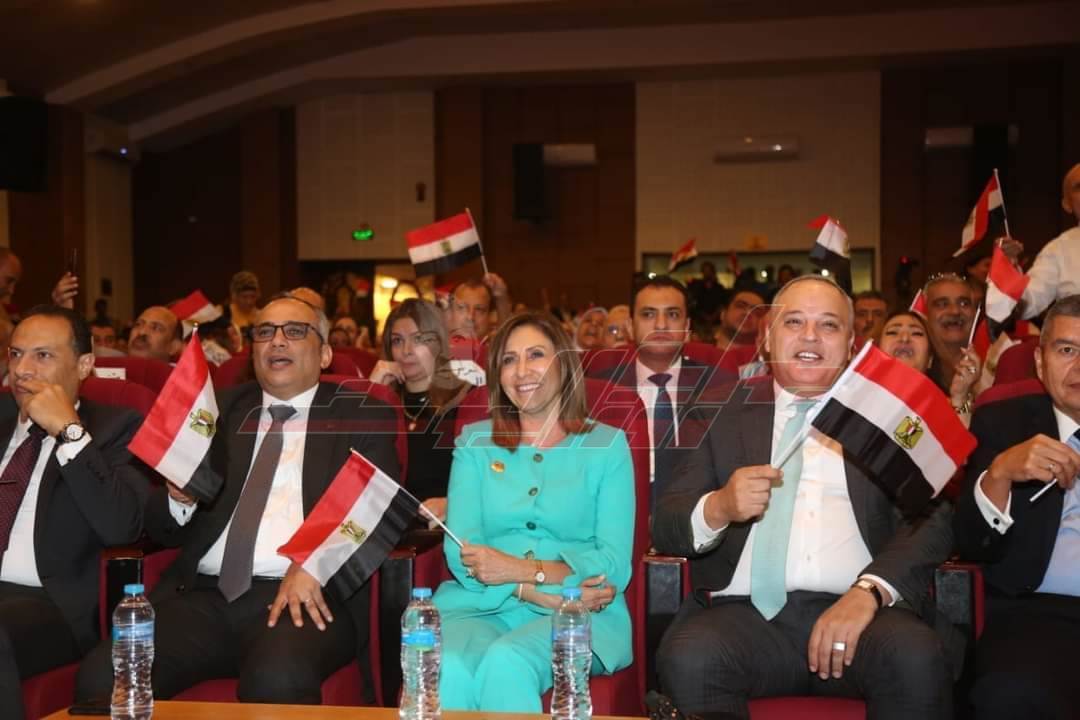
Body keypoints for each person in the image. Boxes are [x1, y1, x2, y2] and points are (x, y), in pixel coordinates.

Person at [654, 276, 954, 720]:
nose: (810, 336)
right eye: (794, 322)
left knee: (915, 656)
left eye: (828, 325)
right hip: (744, 620)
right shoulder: (717, 410)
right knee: (690, 655)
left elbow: (933, 520)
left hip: (862, 615)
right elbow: (667, 522)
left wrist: (869, 592)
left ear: (850, 345)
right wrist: (719, 507)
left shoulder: (884, 415)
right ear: (767, 339)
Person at [75, 295, 400, 704]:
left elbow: (376, 505)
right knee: (104, 674)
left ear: (325, 354)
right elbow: (159, 526)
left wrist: (315, 564)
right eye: (265, 332)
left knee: (276, 680)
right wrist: (179, 499)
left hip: (300, 595)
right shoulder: (217, 411)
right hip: (203, 595)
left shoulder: (362, 414)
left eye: (294, 331)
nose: (277, 341)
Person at [435, 312, 633, 711]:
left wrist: (522, 570)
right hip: (482, 606)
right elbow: (461, 551)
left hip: (579, 611)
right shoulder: (475, 442)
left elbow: (613, 563)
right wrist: (534, 591)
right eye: (509, 360)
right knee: (450, 667)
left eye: (536, 355)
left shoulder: (608, 445)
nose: (522, 370)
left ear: (564, 363)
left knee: (507, 662)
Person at [0, 305, 149, 720]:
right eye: (15, 354)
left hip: (49, 603)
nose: (22, 370)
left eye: (43, 356)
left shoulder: (115, 427)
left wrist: (70, 432)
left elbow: (123, 526)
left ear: (84, 365)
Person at [954, 294, 1080, 719]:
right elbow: (973, 544)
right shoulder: (1003, 421)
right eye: (1067, 350)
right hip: (1039, 613)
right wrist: (1000, 473)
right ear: (1041, 363)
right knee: (1011, 693)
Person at [589, 276, 731, 501]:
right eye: (648, 314)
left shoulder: (722, 387)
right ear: (630, 327)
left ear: (687, 327)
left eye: (672, 314)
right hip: (618, 503)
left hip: (696, 508)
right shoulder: (597, 390)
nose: (661, 325)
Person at [368, 299, 473, 525]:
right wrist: (371, 392)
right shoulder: (382, 402)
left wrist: (453, 503)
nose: (406, 351)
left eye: (418, 339)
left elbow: (491, 481)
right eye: (397, 341)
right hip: (385, 526)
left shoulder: (465, 400)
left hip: (444, 527)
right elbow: (351, 472)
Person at [1001, 163, 1080, 319]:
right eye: (1079, 187)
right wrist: (1007, 267)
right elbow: (1026, 305)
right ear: (1067, 204)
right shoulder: (1058, 250)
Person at [879, 311, 980, 426]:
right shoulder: (861, 398)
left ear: (930, 359)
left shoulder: (944, 407)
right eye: (892, 332)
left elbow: (959, 437)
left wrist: (960, 397)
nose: (904, 338)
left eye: (916, 333)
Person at [924, 273, 978, 391]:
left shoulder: (994, 363)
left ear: (975, 312)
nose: (955, 311)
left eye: (964, 303)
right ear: (925, 314)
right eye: (942, 304)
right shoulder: (917, 368)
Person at [446, 274, 512, 342]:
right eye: (462, 308)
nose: (470, 317)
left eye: (479, 310)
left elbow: (504, 337)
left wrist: (502, 297)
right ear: (448, 313)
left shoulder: (495, 347)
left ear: (489, 317)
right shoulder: (439, 347)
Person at [228, 271, 261, 339]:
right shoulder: (222, 313)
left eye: (253, 296)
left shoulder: (261, 315)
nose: (249, 302)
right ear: (235, 296)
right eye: (244, 297)